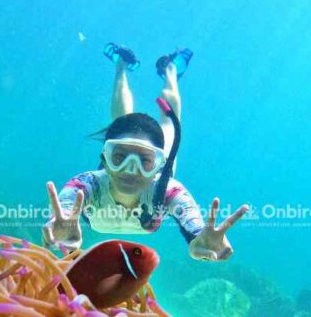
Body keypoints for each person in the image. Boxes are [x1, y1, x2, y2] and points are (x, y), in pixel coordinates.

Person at [42, 44, 248, 261]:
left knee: (170, 124)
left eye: (145, 160)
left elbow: (193, 224)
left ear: (159, 164)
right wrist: (60, 222)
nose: (131, 170)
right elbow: (65, 206)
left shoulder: (167, 190)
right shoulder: (85, 186)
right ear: (105, 156)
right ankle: (121, 65)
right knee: (121, 122)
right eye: (120, 157)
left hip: (155, 170)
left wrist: (199, 238)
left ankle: (170, 71)